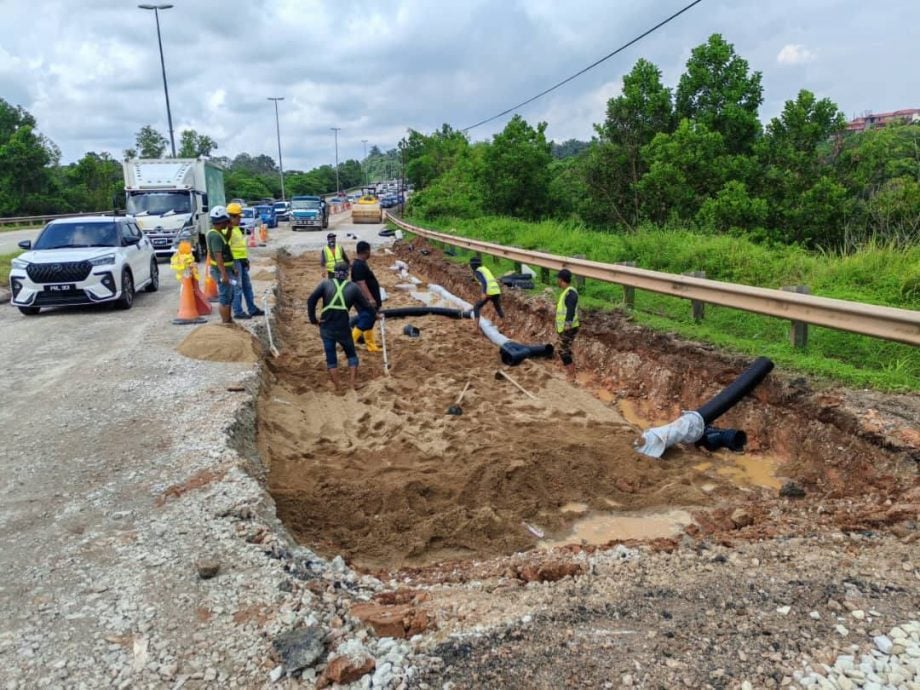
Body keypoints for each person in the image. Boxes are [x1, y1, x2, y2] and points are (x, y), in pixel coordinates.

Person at [307, 262, 371, 391]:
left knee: (331, 356)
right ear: (347, 273)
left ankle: (337, 386)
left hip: (326, 326)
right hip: (343, 327)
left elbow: (311, 300)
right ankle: (352, 384)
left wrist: (313, 319)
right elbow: (366, 306)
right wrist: (376, 315)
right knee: (351, 354)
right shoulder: (353, 288)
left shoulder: (326, 284)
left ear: (334, 273)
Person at [227, 202, 265, 320]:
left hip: (241, 261)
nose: (240, 219)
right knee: (237, 287)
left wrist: (245, 260)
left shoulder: (236, 229)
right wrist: (233, 265)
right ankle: (238, 311)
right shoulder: (227, 231)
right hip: (235, 262)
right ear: (232, 217)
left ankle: (252, 308)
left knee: (247, 286)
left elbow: (240, 247)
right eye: (238, 217)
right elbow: (227, 249)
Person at [206, 206, 238, 324]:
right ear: (221, 221)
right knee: (225, 296)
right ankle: (226, 322)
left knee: (229, 294)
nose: (227, 223)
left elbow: (225, 241)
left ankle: (229, 320)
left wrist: (229, 230)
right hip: (221, 271)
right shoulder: (214, 236)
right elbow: (218, 256)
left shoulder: (218, 233)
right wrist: (224, 274)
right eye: (226, 221)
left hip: (226, 269)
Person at [350, 241, 382, 353]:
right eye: (369, 250)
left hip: (366, 298)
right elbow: (361, 283)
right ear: (366, 251)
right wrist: (370, 298)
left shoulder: (361, 263)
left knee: (370, 321)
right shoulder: (358, 265)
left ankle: (371, 345)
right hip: (364, 299)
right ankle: (349, 343)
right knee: (366, 319)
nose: (370, 252)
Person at [555, 269, 580, 383]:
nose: (557, 281)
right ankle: (571, 371)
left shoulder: (570, 293)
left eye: (558, 279)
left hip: (569, 328)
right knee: (566, 349)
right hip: (566, 327)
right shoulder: (567, 292)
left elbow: (570, 308)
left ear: (561, 279)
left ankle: (571, 375)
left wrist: (567, 323)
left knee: (562, 350)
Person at [469, 256, 504, 329]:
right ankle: (504, 324)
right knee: (498, 307)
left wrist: (484, 292)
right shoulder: (484, 269)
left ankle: (476, 328)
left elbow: (484, 282)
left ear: (473, 265)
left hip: (489, 291)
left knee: (476, 307)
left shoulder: (477, 271)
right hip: (496, 290)